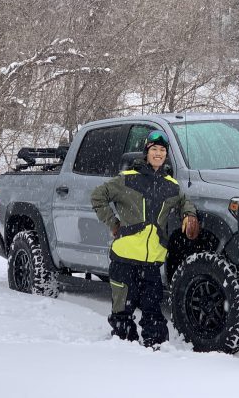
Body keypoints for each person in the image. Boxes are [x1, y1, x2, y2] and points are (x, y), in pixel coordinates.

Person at [91, 130, 199, 348]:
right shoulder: (127, 179)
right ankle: (123, 350)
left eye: (162, 150)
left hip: (151, 263)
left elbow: (184, 202)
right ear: (146, 152)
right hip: (124, 259)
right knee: (123, 311)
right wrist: (113, 223)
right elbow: (97, 196)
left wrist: (190, 216)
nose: (158, 154)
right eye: (154, 150)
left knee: (153, 310)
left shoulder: (171, 185)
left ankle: (156, 350)